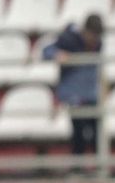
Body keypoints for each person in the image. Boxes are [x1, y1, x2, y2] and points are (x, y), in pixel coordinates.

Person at [42, 13, 104, 158]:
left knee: (96, 133)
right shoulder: (69, 40)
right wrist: (57, 54)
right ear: (86, 32)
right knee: (78, 132)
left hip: (91, 94)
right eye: (92, 36)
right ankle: (78, 167)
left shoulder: (98, 45)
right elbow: (46, 51)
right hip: (75, 96)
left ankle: (98, 166)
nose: (94, 40)